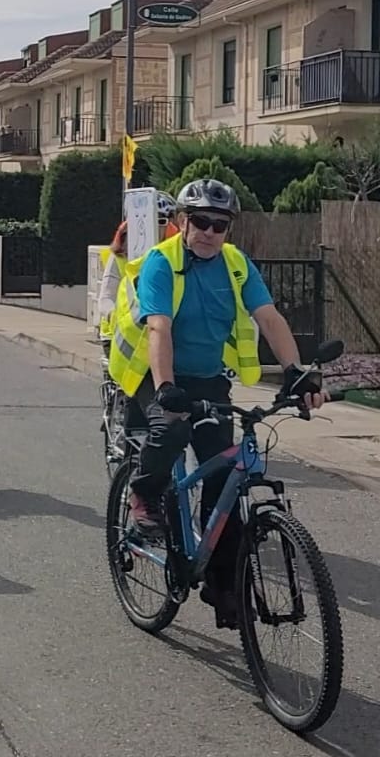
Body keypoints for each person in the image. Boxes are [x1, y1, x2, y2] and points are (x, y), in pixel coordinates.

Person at [108, 177, 324, 628]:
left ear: (229, 229)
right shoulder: (160, 264)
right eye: (201, 221)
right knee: (168, 428)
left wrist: (296, 372)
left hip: (207, 379)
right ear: (183, 222)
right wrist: (167, 388)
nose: (209, 231)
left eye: (219, 224)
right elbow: (158, 329)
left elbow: (269, 318)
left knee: (225, 474)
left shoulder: (236, 264)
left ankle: (222, 583)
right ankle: (144, 494)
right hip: (154, 371)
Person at [97, 193, 178, 345]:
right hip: (118, 336)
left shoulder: (175, 255)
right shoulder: (120, 256)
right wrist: (119, 322)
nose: (152, 227)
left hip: (159, 334)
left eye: (160, 221)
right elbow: (106, 298)